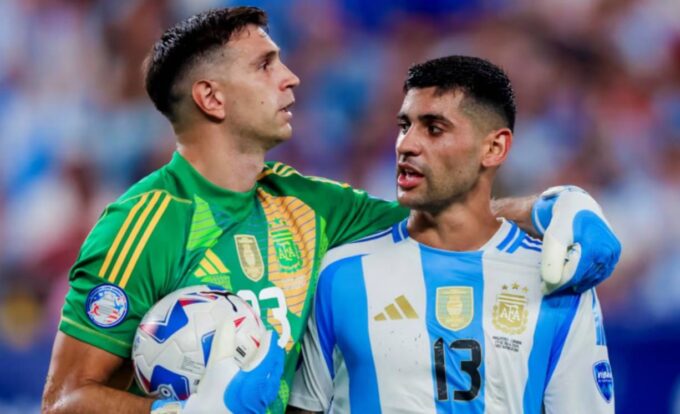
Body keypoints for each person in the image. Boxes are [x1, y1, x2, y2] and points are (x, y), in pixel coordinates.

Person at [40, 7, 619, 414]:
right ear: (212, 97)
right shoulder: (143, 225)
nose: (290, 77)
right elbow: (64, 399)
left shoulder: (311, 205)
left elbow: (449, 210)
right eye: (265, 65)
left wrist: (554, 207)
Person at [288, 56, 618, 413]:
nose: (406, 145)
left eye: (434, 129)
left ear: (494, 148)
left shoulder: (555, 280)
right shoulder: (342, 272)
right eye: (405, 126)